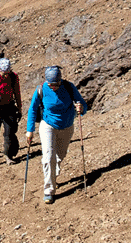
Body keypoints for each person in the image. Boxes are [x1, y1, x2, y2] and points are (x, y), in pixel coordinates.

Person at [28, 65, 89, 203]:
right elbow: (32, 110)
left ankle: (53, 174)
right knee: (48, 156)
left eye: (55, 84)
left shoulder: (69, 87)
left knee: (60, 155)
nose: (53, 87)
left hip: (67, 126)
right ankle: (49, 189)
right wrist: (29, 130)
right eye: (50, 84)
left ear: (60, 81)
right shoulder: (41, 89)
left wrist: (81, 108)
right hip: (48, 125)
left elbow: (83, 105)